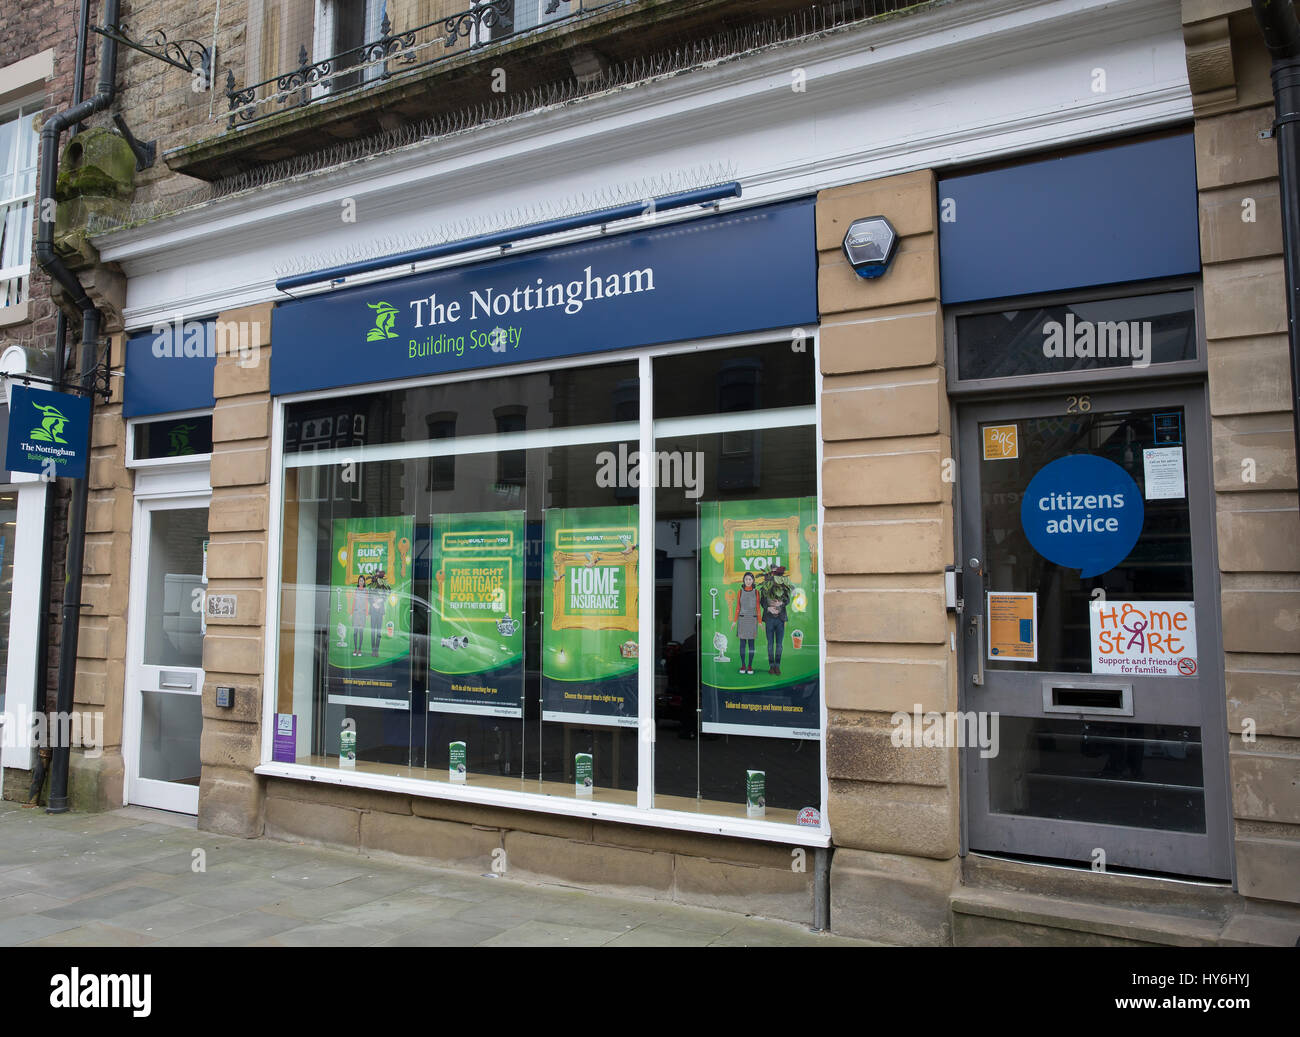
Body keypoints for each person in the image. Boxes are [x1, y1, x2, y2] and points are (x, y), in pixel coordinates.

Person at [760, 566, 792, 676]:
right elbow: (762, 601)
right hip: (769, 619)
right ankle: (771, 666)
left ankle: (777, 666)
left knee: (779, 645)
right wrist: (768, 608)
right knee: (770, 644)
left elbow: (787, 599)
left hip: (780, 619)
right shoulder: (766, 586)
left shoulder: (784, 586)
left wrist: (781, 604)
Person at [732, 571, 760, 675]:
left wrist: (760, 621)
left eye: (750, 579)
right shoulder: (740, 592)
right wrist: (734, 621)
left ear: (753, 581)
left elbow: (758, 608)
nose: (748, 581)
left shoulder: (756, 592)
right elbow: (738, 607)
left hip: (752, 619)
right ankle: (743, 665)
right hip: (742, 620)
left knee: (751, 645)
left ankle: (750, 666)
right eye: (746, 579)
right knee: (742, 644)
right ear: (744, 580)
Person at [368, 569, 390, 656]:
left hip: (380, 612)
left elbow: (386, 596)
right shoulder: (372, 585)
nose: (377, 577)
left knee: (378, 632)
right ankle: (373, 650)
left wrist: (380, 600)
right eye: (376, 575)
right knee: (373, 632)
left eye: (378, 575)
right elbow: (369, 597)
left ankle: (377, 650)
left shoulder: (383, 585)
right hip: (373, 611)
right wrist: (373, 603)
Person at [349, 575, 368, 658]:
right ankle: (355, 649)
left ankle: (360, 649)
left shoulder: (366, 591)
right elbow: (353, 602)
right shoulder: (356, 590)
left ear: (364, 582)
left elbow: (367, 603)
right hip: (356, 613)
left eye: (362, 580)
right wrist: (351, 613)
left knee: (361, 632)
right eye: (360, 580)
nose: (361, 582)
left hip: (363, 613)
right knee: (355, 632)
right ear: (358, 581)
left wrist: (366, 614)